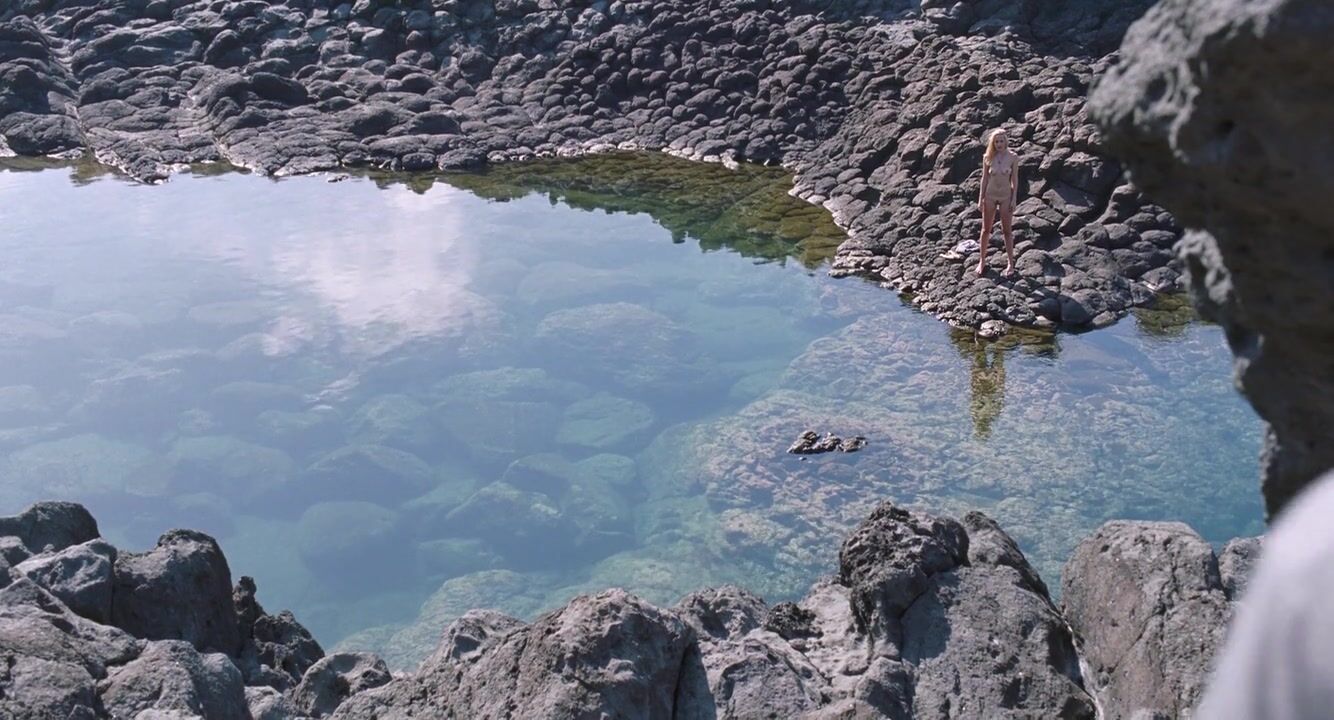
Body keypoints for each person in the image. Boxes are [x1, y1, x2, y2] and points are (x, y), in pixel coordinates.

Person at [976, 128, 1019, 277]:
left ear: (1005, 142)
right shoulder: (988, 157)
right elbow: (984, 179)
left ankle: (1010, 263)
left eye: (1001, 141)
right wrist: (980, 199)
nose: (999, 144)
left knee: (1007, 230)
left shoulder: (1013, 157)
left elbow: (1015, 180)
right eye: (996, 142)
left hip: (1006, 197)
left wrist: (1014, 199)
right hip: (990, 196)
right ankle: (982, 260)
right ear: (992, 143)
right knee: (985, 229)